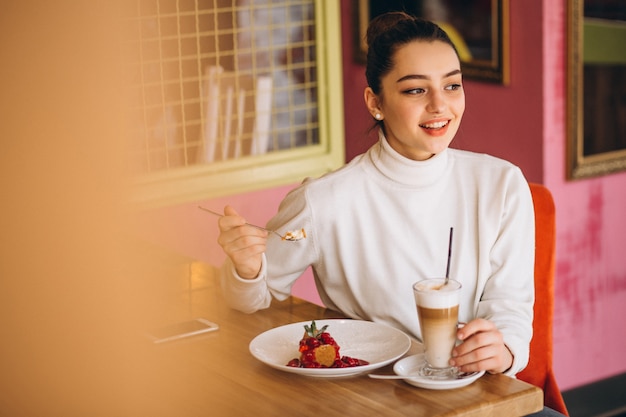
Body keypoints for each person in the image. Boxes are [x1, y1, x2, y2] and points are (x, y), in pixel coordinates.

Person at [216, 12, 565, 417]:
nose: (440, 105)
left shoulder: (501, 185)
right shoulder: (325, 203)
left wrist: (503, 349)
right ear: (375, 102)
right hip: (376, 401)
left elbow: (511, 305)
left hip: (477, 397)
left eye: (452, 85)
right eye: (416, 90)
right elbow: (257, 291)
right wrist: (246, 267)